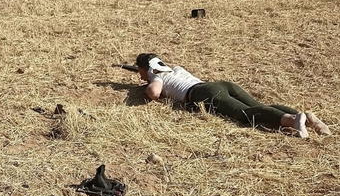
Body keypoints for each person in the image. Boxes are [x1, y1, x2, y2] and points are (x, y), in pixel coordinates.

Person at [135, 53, 331, 138]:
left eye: (140, 71)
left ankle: (292, 119)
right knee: (258, 106)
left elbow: (153, 94)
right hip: (219, 84)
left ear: (147, 68)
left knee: (245, 114)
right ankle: (308, 118)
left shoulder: (156, 76)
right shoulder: (175, 69)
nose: (140, 75)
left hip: (203, 93)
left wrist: (149, 82)